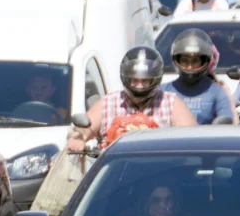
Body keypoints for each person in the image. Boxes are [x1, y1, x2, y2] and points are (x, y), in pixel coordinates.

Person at [66, 47, 198, 152]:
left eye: (145, 81)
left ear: (156, 80)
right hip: (116, 175)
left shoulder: (170, 104)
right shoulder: (108, 104)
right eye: (134, 80)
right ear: (125, 78)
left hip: (161, 174)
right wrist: (77, 138)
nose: (139, 86)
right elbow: (82, 131)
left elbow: (194, 141)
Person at [162, 29, 235, 125]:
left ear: (205, 61)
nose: (190, 67)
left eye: (195, 61)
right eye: (185, 61)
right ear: (176, 60)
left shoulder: (217, 91)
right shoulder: (163, 91)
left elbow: (227, 124)